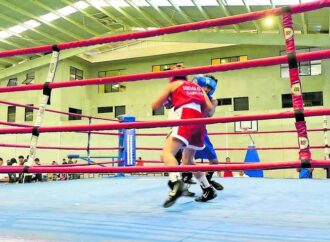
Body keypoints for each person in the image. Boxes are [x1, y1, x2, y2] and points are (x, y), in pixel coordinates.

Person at [152, 64, 217, 208]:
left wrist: (171, 98)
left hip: (185, 117)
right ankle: (208, 189)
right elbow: (209, 109)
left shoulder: (174, 84)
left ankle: (177, 182)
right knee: (188, 160)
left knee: (166, 154)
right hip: (199, 121)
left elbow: (155, 105)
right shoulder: (198, 88)